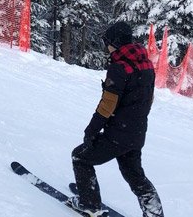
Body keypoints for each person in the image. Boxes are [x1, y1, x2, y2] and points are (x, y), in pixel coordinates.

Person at [69, 22, 164, 217]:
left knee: (80, 157)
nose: (107, 47)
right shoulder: (146, 64)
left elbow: (108, 104)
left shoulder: (119, 67)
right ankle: (154, 213)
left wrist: (92, 130)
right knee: (134, 175)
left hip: (118, 135)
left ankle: (90, 204)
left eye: (107, 42)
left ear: (115, 42)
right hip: (136, 134)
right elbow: (150, 99)